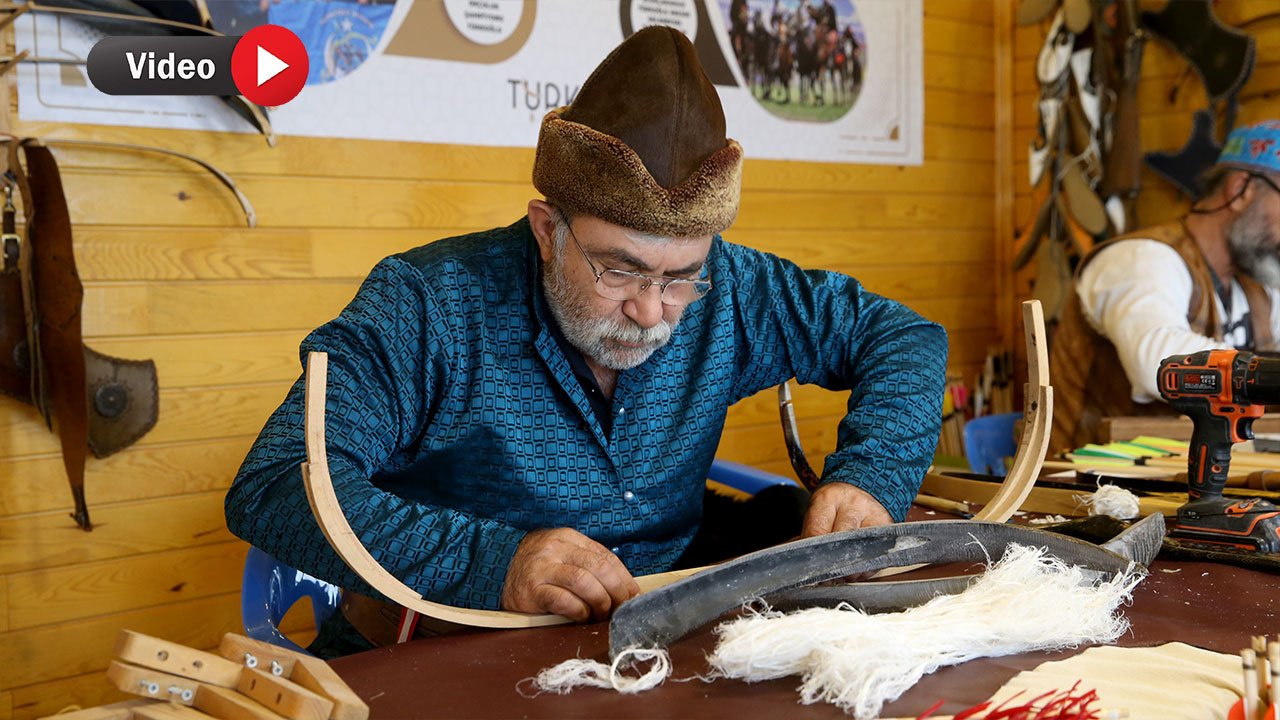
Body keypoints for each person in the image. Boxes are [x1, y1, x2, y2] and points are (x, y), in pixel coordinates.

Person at [225, 26, 946, 652]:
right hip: (438, 652)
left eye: (680, 276)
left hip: (660, 649)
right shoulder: (428, 302)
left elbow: (903, 337)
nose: (649, 310)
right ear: (547, 229)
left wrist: (871, 474)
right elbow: (274, 482)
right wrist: (493, 562)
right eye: (619, 269)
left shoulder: (733, 288)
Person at [1050, 121, 1280, 451]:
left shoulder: (1258, 285)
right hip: (1090, 485)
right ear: (1241, 190)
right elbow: (1155, 365)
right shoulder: (1142, 258)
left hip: (1194, 479)